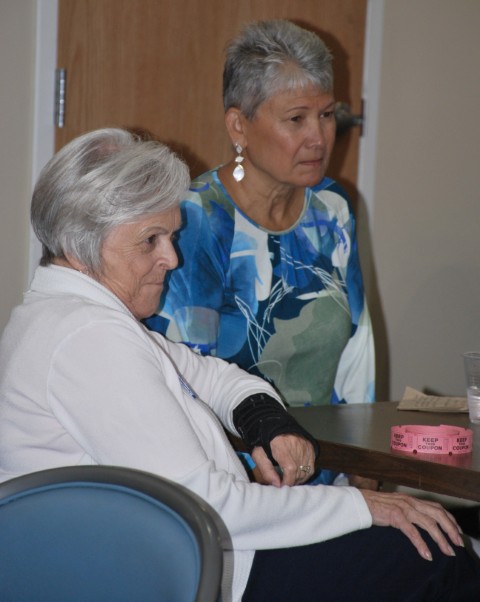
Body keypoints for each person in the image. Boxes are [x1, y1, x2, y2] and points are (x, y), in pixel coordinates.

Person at [0, 128, 479, 602]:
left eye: (171, 236)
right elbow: (204, 508)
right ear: (82, 244)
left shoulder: (65, 317)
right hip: (185, 571)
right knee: (439, 554)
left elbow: (213, 375)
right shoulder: (89, 339)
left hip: (182, 556)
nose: (171, 258)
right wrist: (364, 505)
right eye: (150, 240)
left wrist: (266, 422)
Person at [146, 19, 374, 414]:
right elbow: (187, 381)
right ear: (239, 126)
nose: (318, 138)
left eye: (326, 115)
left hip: (331, 447)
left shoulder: (331, 206)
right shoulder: (195, 220)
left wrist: (365, 444)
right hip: (231, 447)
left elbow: (358, 348)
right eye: (296, 119)